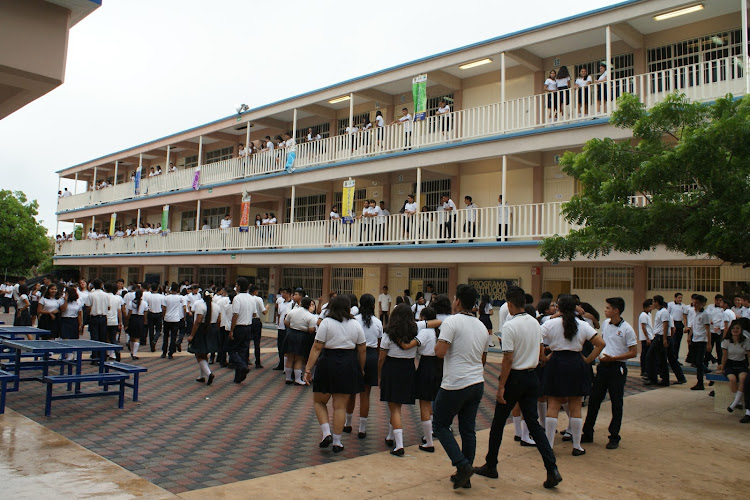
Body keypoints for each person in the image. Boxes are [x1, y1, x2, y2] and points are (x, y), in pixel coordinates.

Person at [474, 286, 561, 489]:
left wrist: (501, 386)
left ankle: (491, 464)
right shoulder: (535, 323)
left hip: (516, 377)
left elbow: (508, 358)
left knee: (498, 423)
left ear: (510, 304)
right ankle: (552, 468)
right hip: (532, 377)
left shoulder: (510, 326)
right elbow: (541, 354)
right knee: (533, 423)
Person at [433, 284, 489, 489]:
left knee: (440, 424)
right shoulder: (481, 326)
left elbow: (440, 352)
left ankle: (462, 465)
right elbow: (483, 358)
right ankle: (464, 473)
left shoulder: (452, 322)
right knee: (468, 429)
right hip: (477, 382)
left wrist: (436, 345)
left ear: (457, 301)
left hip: (455, 383)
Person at [541, 294, 604, 455]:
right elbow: (600, 343)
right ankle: (577, 446)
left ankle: (549, 445)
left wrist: (544, 357)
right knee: (575, 405)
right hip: (576, 362)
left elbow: (537, 340)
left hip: (556, 362)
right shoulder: (582, 325)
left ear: (559, 308)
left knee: (553, 404)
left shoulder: (551, 323)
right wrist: (588, 359)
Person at [305, 295, 366, 453]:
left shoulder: (326, 322)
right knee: (340, 407)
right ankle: (337, 442)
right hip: (348, 362)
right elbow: (362, 348)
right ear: (348, 308)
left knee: (319, 401)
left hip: (328, 362)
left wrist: (308, 368)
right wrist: (361, 367)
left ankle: (326, 433)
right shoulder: (355, 324)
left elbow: (317, 346)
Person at [581, 297, 637, 450]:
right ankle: (587, 432)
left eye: (608, 308)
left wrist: (614, 358)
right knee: (594, 400)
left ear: (616, 310)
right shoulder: (606, 324)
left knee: (616, 402)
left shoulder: (627, 329)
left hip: (617, 368)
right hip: (603, 367)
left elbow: (633, 352)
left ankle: (614, 436)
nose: (605, 310)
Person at [379, 303, 419, 456]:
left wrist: (380, 374)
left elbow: (382, 357)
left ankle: (399, 445)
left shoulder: (389, 333)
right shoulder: (416, 331)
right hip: (408, 369)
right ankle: (391, 435)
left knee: (394, 407)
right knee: (397, 405)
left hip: (392, 368)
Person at [344, 293, 382, 439]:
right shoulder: (377, 322)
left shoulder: (354, 321)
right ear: (373, 305)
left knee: (351, 392)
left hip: (354, 355)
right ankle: (362, 428)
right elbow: (379, 344)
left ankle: (347, 424)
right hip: (371, 356)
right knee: (366, 394)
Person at [645, 295, 687, 386]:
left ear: (657, 302)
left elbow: (666, 325)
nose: (652, 304)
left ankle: (656, 379)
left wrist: (665, 339)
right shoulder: (661, 312)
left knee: (652, 356)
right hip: (661, 337)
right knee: (667, 358)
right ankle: (673, 378)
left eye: (653, 302)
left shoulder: (663, 312)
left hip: (661, 337)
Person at [284, 294, 318, 386]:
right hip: (302, 336)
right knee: (299, 358)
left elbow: (286, 322)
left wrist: (293, 327)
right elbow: (311, 330)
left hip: (290, 334)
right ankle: (298, 379)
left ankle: (288, 378)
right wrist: (304, 329)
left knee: (290, 357)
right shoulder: (310, 316)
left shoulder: (292, 311)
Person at [717, 321, 750, 413]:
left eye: (737, 328)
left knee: (743, 378)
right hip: (730, 364)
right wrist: (722, 368)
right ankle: (738, 401)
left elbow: (749, 355)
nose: (735, 330)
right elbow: (724, 356)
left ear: (741, 330)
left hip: (741, 363)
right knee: (732, 379)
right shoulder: (726, 341)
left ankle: (734, 404)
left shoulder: (746, 341)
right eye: (733, 328)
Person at [228, 277, 255, 383]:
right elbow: (254, 313)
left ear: (239, 286)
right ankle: (239, 376)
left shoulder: (237, 298)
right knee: (243, 351)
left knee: (232, 350)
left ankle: (242, 366)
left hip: (239, 327)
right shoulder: (251, 298)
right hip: (248, 326)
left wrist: (231, 330)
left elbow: (235, 315)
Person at [187, 290, 216, 385]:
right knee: (205, 353)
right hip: (212, 330)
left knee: (198, 354)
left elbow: (198, 321)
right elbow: (219, 320)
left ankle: (209, 373)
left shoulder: (201, 306)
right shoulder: (216, 306)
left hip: (201, 330)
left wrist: (191, 335)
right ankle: (201, 376)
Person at [688, 295, 711, 390]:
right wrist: (689, 336)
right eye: (694, 302)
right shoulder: (695, 313)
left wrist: (709, 343)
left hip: (702, 340)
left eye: (697, 303)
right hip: (695, 339)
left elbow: (708, 330)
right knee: (695, 361)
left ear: (702, 304)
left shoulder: (705, 314)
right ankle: (708, 373)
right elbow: (693, 326)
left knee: (699, 361)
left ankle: (700, 382)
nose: (695, 305)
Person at [162, 283, 184, 359]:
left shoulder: (166, 297)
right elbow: (184, 307)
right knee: (173, 336)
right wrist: (183, 316)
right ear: (178, 289)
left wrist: (163, 316)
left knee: (165, 336)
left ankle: (164, 352)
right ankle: (171, 353)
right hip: (176, 319)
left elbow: (164, 308)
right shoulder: (180, 298)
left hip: (167, 318)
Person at [125, 289, 148, 360]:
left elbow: (129, 312)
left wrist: (126, 321)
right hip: (140, 319)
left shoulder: (131, 302)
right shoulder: (144, 303)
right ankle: (134, 353)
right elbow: (145, 313)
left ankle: (131, 351)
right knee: (137, 337)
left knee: (132, 336)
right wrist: (145, 321)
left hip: (133, 319)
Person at [274, 288, 293, 370]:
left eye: (284, 292)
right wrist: (278, 324)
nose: (282, 294)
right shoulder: (281, 304)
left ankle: (287, 365)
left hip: (288, 328)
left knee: (287, 347)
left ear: (289, 294)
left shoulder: (292, 304)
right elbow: (279, 314)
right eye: (281, 292)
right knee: (280, 346)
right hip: (281, 328)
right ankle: (281, 363)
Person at [249, 284, 267, 368]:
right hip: (256, 321)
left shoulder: (247, 298)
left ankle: (246, 359)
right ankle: (257, 362)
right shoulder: (258, 299)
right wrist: (268, 307)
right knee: (257, 343)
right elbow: (264, 312)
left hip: (248, 321)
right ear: (255, 291)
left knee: (247, 342)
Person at [667, 293, 687, 361]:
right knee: (673, 341)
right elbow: (668, 314)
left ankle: (676, 358)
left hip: (679, 324)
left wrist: (686, 326)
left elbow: (684, 316)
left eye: (681, 298)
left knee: (678, 342)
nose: (680, 299)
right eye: (679, 298)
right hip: (673, 323)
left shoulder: (683, 306)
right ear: (675, 298)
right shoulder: (670, 304)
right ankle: (671, 357)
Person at [146, 283, 165, 352]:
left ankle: (152, 345)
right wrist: (163, 314)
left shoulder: (148, 297)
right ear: (157, 288)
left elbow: (146, 305)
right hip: (158, 314)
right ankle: (155, 340)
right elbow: (163, 307)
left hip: (150, 313)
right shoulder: (161, 296)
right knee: (158, 330)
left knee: (151, 330)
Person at [638, 299, 654, 378]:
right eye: (649, 307)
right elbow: (643, 327)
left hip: (650, 336)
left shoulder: (649, 314)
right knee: (645, 354)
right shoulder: (643, 315)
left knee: (649, 354)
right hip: (645, 338)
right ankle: (644, 370)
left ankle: (648, 369)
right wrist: (647, 338)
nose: (651, 308)